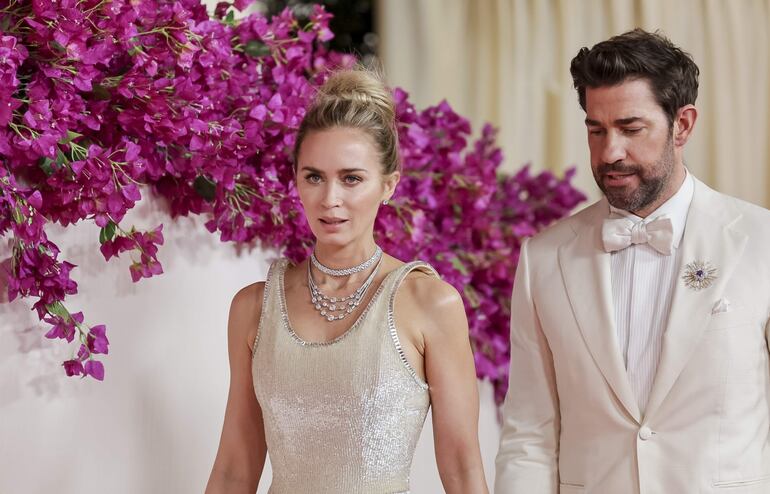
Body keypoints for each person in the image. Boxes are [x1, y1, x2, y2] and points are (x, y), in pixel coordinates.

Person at [495, 28, 770, 494]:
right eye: (596, 130)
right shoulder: (544, 258)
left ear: (682, 125)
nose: (609, 153)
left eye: (630, 128)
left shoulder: (761, 241)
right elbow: (529, 436)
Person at [205, 68, 488, 494]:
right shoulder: (253, 308)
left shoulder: (430, 302)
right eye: (314, 176)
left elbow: (463, 471)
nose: (330, 199)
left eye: (351, 178)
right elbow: (233, 470)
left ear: (388, 185)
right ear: (296, 180)